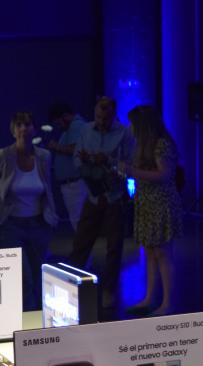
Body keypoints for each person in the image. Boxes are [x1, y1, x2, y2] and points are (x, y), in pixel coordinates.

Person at [0, 111, 58, 310]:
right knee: (23, 278)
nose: (24, 129)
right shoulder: (3, 156)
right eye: (19, 125)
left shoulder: (44, 156)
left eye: (28, 124)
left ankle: (37, 316)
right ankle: (25, 319)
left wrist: (52, 217)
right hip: (11, 225)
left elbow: (47, 188)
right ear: (13, 130)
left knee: (38, 274)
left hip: (39, 224)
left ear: (34, 129)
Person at [67, 96, 134, 308]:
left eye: (105, 118)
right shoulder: (86, 130)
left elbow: (129, 165)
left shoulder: (124, 133)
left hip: (115, 197)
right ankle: (71, 289)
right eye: (98, 117)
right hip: (93, 194)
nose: (101, 121)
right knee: (81, 244)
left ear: (113, 115)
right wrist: (86, 162)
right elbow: (76, 159)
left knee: (114, 248)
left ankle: (108, 291)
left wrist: (108, 161)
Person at [121, 105, 183, 317]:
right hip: (147, 203)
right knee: (149, 252)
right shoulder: (143, 145)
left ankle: (167, 303)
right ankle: (149, 298)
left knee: (163, 254)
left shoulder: (161, 144)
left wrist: (132, 171)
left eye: (134, 124)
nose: (131, 128)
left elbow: (165, 175)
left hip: (161, 204)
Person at [47, 102, 87, 231]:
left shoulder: (77, 126)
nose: (58, 126)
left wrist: (56, 147)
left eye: (58, 122)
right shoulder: (70, 129)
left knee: (79, 220)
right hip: (72, 185)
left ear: (65, 116)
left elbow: (77, 149)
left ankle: (83, 244)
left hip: (75, 184)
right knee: (77, 220)